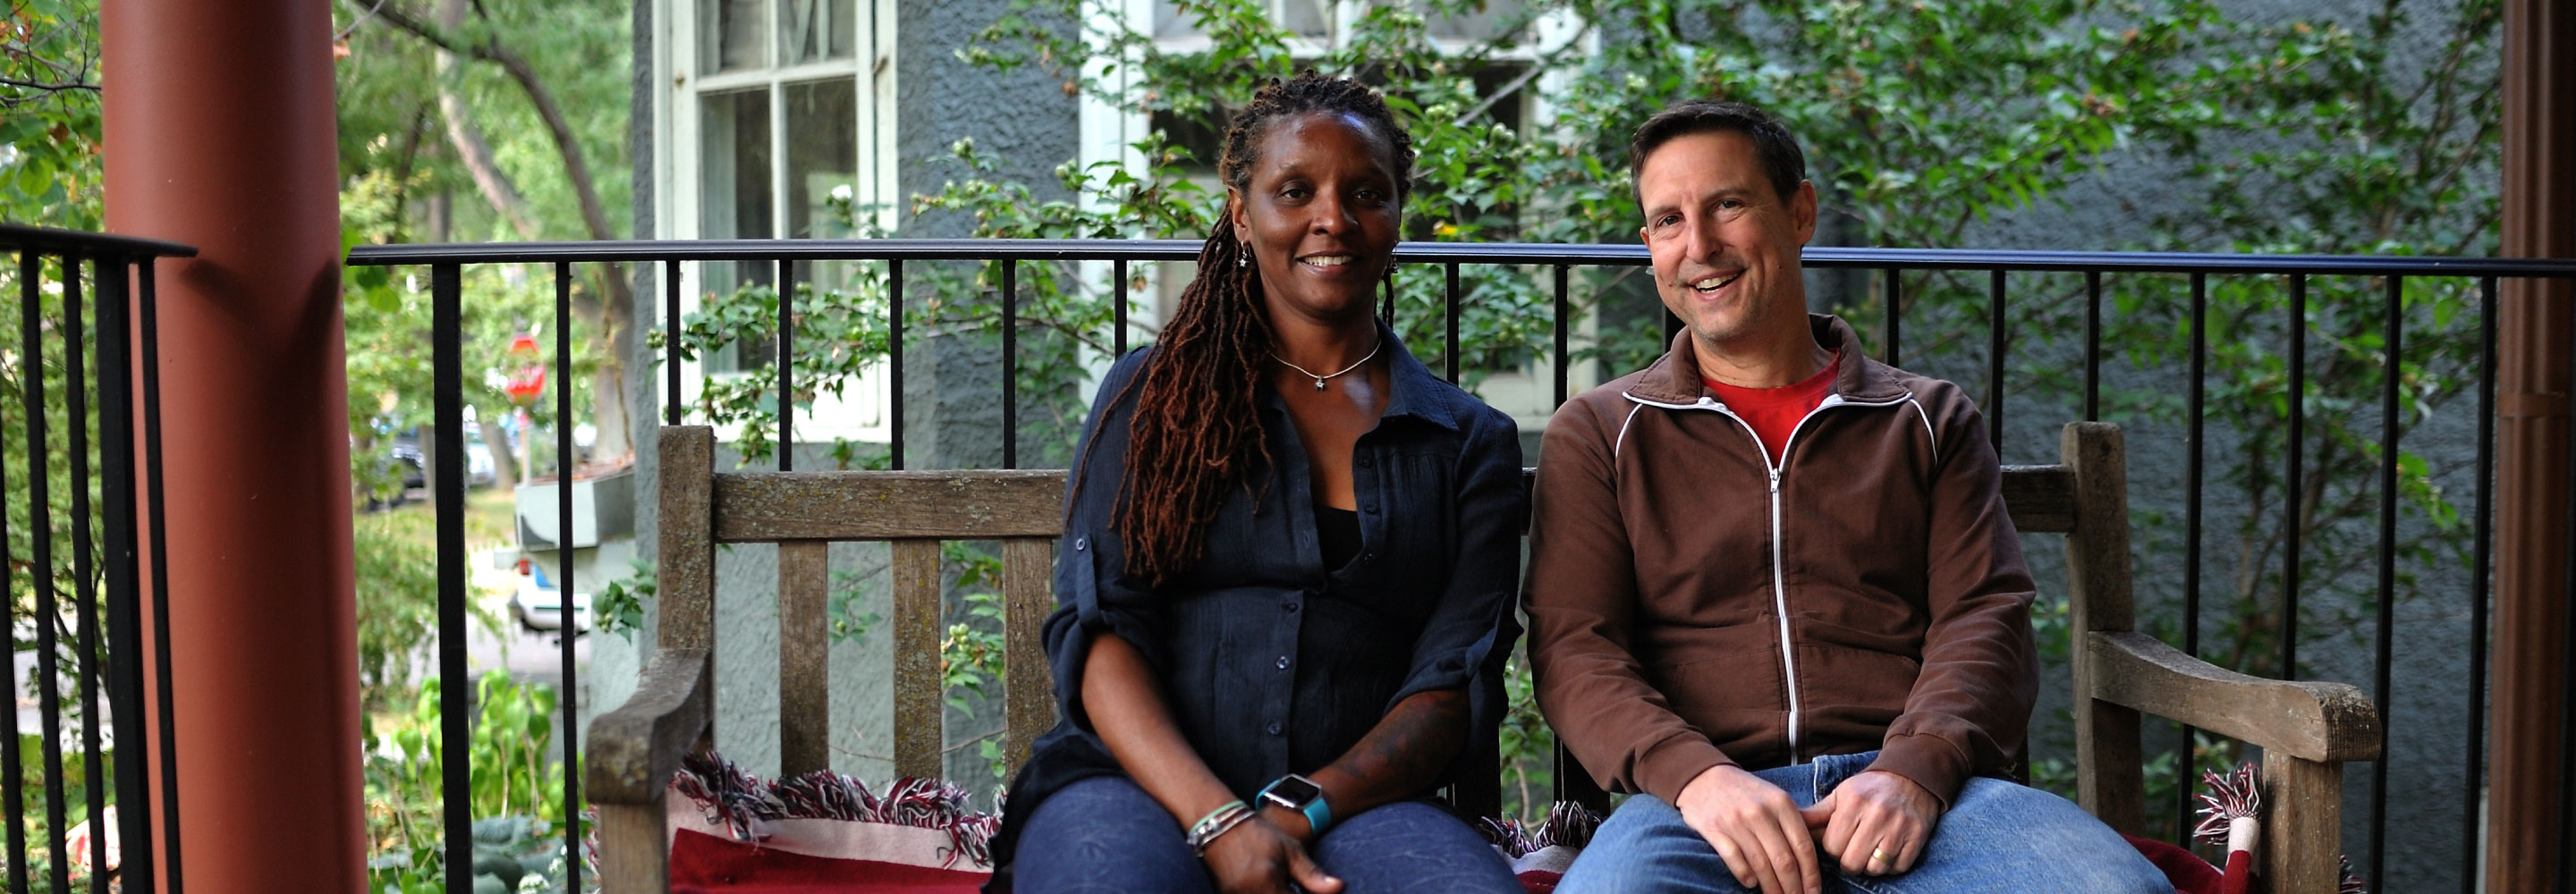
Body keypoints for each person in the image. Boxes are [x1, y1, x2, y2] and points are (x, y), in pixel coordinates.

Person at [1523, 99, 2171, 894]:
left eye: (1727, 204)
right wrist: (1695, 777)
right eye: (1667, 221)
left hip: (1927, 796)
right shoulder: (1602, 431)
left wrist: (1914, 772)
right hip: (1697, 807)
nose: (1700, 246)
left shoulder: (1926, 420)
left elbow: (1985, 616)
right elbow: (1575, 648)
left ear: (1800, 212)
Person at [985, 72, 1529, 894]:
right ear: (1242, 213)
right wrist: (1218, 817)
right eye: (1294, 191)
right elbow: (1102, 633)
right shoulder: (1154, 396)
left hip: (1359, 808)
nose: (1332, 219)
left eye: (1367, 193)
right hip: (1138, 789)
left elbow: (1449, 687)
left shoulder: (1465, 442)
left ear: (1396, 218)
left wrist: (1296, 810)